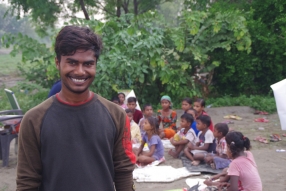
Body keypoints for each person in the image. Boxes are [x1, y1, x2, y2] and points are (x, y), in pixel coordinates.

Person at [16, 26, 136, 191]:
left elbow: (123, 171)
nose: (80, 71)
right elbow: (27, 182)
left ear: (95, 64)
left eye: (88, 64)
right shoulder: (34, 120)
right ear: (58, 62)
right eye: (72, 62)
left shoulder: (115, 115)